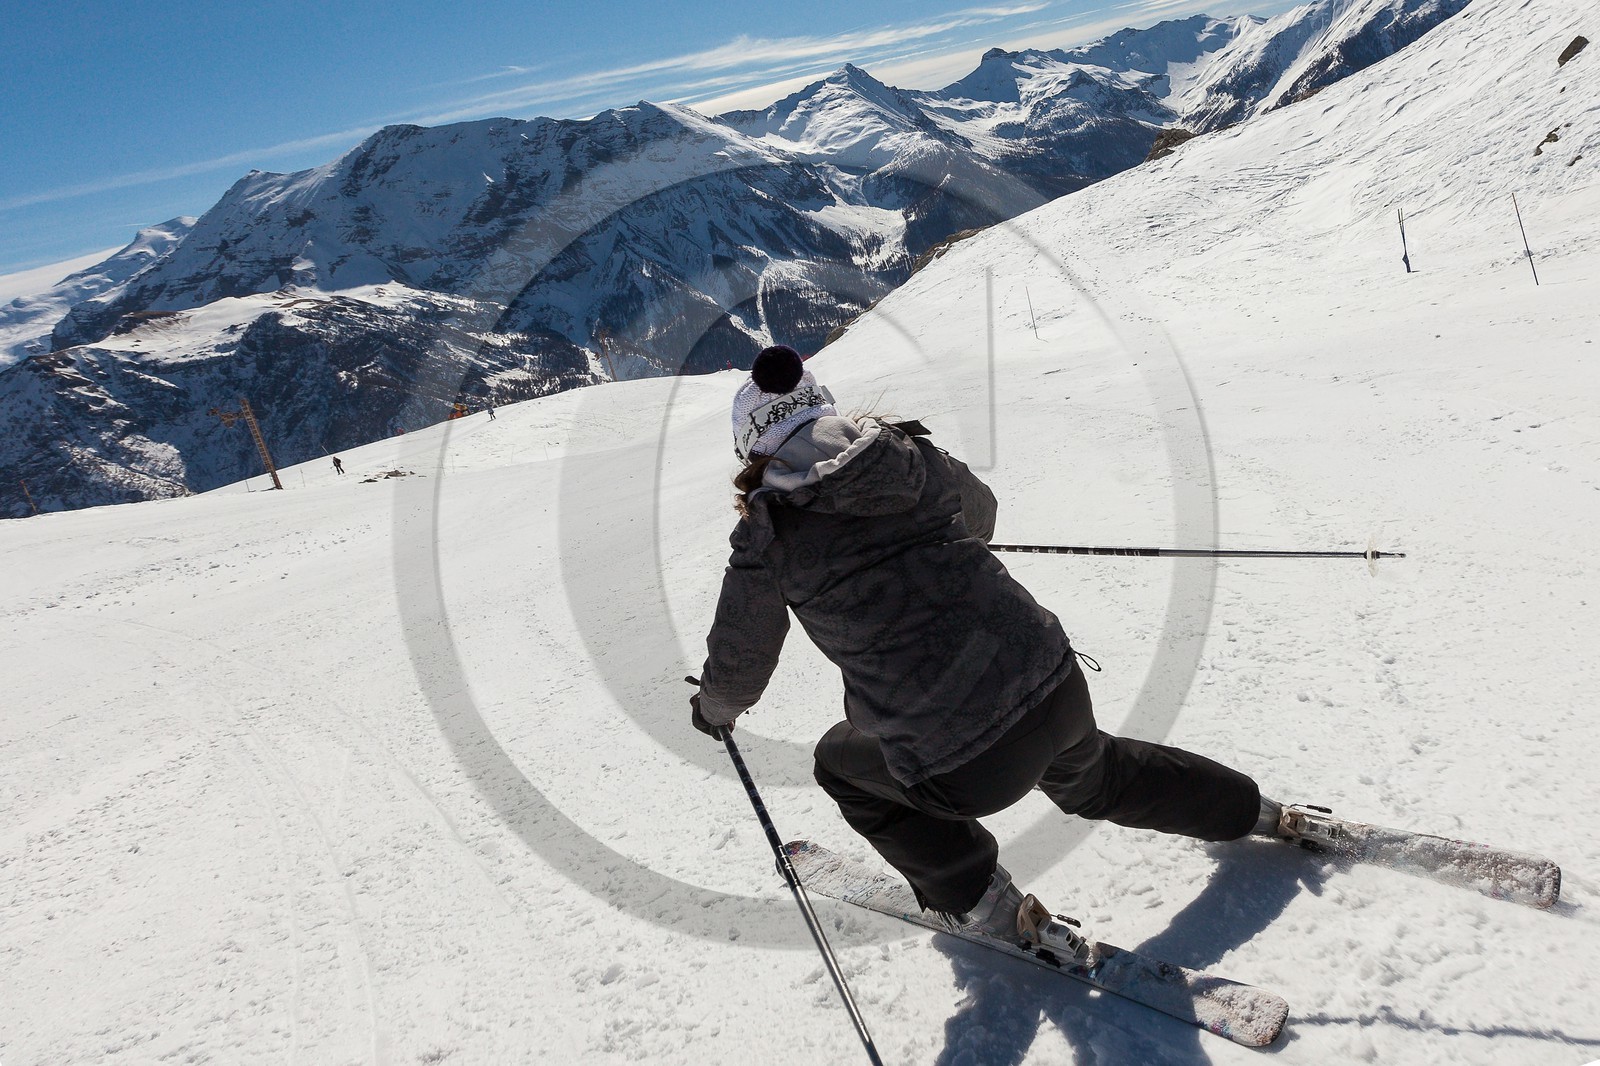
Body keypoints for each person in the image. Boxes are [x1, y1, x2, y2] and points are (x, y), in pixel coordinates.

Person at [692, 345, 1284, 940]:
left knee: (838, 765)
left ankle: (979, 900)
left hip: (962, 762)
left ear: (753, 453)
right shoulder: (910, 457)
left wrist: (713, 712)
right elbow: (982, 515)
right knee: (1098, 778)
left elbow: (741, 662)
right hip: (1055, 686)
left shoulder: (767, 540)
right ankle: (1252, 810)